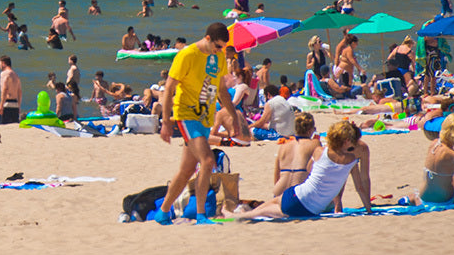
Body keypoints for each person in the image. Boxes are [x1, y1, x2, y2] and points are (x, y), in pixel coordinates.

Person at [154, 22, 235, 224]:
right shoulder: (187, 55)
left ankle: (163, 212)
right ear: (207, 39)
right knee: (208, 161)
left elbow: (222, 90)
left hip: (205, 118)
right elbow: (169, 88)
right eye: (217, 46)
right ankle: (201, 215)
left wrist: (235, 117)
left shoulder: (218, 57)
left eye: (223, 47)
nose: (220, 50)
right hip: (186, 115)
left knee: (186, 170)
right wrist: (165, 121)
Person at [236, 120, 372, 220]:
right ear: (347, 141)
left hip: (297, 196)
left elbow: (308, 169)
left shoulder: (319, 151)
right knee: (262, 212)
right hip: (308, 207)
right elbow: (359, 187)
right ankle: (239, 215)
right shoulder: (352, 162)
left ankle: (238, 214)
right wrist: (368, 210)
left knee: (264, 209)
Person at [270, 113, 319, 196]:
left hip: (279, 190)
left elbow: (276, 175)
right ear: (310, 130)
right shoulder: (315, 144)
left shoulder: (283, 146)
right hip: (298, 192)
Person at [0, 55, 21, 124]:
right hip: (15, 104)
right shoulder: (16, 75)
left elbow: (5, 89)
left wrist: (1, 105)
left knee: (3, 128)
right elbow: (19, 92)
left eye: (0, 64)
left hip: (7, 104)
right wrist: (19, 106)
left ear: (3, 64)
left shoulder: (4, 73)